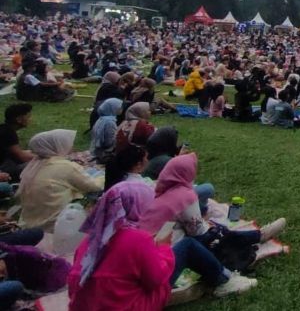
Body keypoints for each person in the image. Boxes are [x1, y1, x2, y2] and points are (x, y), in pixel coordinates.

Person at [138, 154, 283, 296]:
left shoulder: (162, 192)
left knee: (213, 232)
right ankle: (225, 279)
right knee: (213, 236)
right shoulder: (184, 196)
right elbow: (198, 232)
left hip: (147, 259)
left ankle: (257, 236)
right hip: (161, 262)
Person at [68, 181, 174, 311]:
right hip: (117, 306)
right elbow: (156, 280)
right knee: (162, 284)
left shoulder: (90, 239)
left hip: (83, 307)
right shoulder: (139, 239)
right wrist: (164, 248)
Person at [18, 129, 103, 231]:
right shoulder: (64, 166)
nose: (71, 147)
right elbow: (93, 186)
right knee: (98, 185)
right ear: (57, 146)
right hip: (53, 225)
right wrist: (104, 175)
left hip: (29, 222)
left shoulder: (33, 165)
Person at [0, 103, 34, 183]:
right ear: (18, 119)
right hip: (3, 169)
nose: (30, 119)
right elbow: (22, 157)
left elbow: (16, 152)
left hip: (5, 162)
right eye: (28, 117)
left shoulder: (3, 128)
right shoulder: (8, 132)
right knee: (39, 165)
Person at [90, 98, 123, 165]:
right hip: (105, 154)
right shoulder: (110, 123)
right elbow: (109, 142)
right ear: (113, 108)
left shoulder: (102, 118)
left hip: (96, 150)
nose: (121, 108)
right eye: (119, 107)